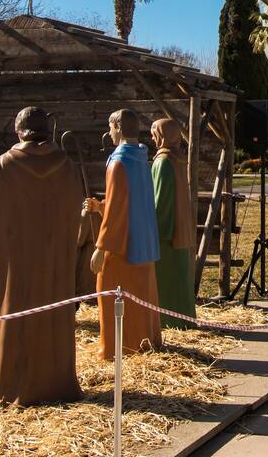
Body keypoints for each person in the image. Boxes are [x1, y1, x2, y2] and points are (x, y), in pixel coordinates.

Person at [0, 107, 87, 406]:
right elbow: (74, 219)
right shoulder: (67, 167)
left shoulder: (1, 167)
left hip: (15, 268)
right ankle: (55, 384)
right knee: (52, 316)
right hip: (54, 267)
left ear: (18, 131)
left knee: (14, 316)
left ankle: (8, 386)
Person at [89, 109, 163, 360]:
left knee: (108, 288)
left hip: (124, 246)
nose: (108, 132)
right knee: (142, 293)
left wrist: (101, 247)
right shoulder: (142, 158)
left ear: (118, 127)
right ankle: (146, 341)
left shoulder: (118, 161)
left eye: (110, 127)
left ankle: (118, 347)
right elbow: (127, 202)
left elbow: (119, 209)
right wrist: (100, 206)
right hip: (144, 244)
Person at [150, 118, 197, 328]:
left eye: (154, 133)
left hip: (165, 233)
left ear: (163, 135)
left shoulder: (163, 162)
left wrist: (154, 230)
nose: (152, 137)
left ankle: (168, 320)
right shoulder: (179, 159)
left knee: (166, 280)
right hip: (181, 229)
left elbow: (160, 201)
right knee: (180, 278)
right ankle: (183, 318)